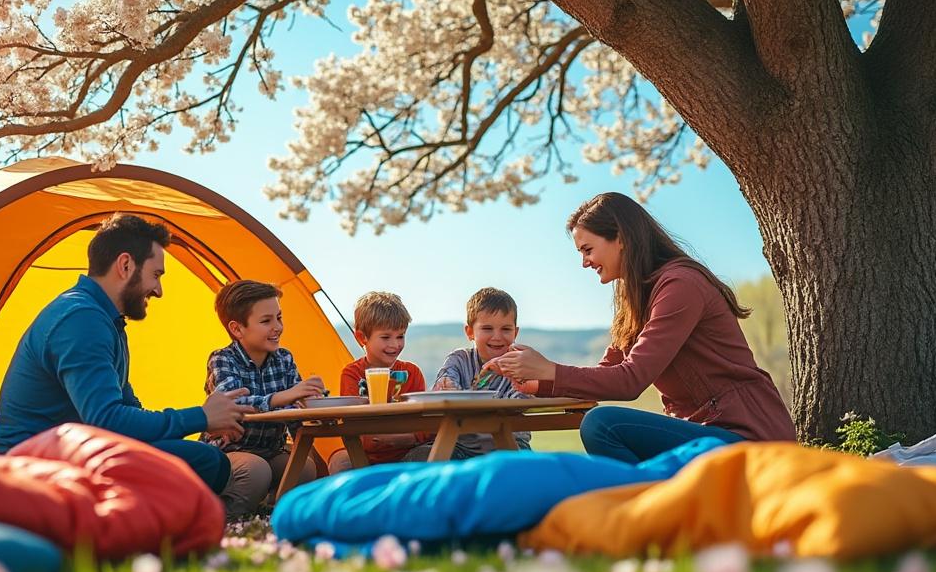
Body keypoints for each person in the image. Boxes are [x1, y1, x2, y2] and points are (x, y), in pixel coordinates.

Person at [486, 192, 796, 464]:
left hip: (747, 436)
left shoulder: (680, 286)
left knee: (602, 424)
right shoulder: (635, 297)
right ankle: (657, 516)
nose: (584, 262)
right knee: (603, 427)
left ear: (620, 238)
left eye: (587, 250)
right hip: (703, 434)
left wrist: (549, 370)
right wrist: (537, 383)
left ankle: (649, 519)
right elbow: (609, 371)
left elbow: (629, 381)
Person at [0, 213, 250, 493]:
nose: (159, 290)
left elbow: (128, 412)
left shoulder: (106, 319)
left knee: (203, 458)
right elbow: (107, 420)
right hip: (32, 467)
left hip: (72, 452)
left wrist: (206, 420)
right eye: (156, 274)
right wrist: (200, 416)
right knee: (205, 462)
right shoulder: (81, 319)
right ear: (125, 265)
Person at [204, 279, 323, 519]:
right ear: (237, 329)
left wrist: (315, 410)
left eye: (279, 317)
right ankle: (225, 519)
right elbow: (236, 407)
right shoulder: (222, 360)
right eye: (266, 321)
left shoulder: (284, 359)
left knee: (305, 468)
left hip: (271, 449)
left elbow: (294, 412)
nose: (277, 327)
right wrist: (285, 395)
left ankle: (270, 514)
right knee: (256, 470)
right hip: (230, 451)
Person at [327, 291, 431, 473]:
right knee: (340, 461)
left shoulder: (411, 373)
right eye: (386, 337)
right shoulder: (352, 373)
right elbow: (351, 424)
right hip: (365, 454)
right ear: (362, 338)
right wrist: (379, 439)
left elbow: (423, 423)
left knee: (430, 454)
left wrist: (406, 438)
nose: (395, 345)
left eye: (400, 336)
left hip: (406, 451)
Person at [432, 287, 533, 458]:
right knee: (424, 455)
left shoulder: (521, 365)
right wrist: (446, 385)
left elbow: (519, 403)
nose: (497, 337)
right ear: (470, 332)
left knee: (522, 468)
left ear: (515, 333)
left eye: (506, 329)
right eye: (487, 329)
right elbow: (446, 380)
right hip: (462, 445)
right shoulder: (459, 359)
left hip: (510, 442)